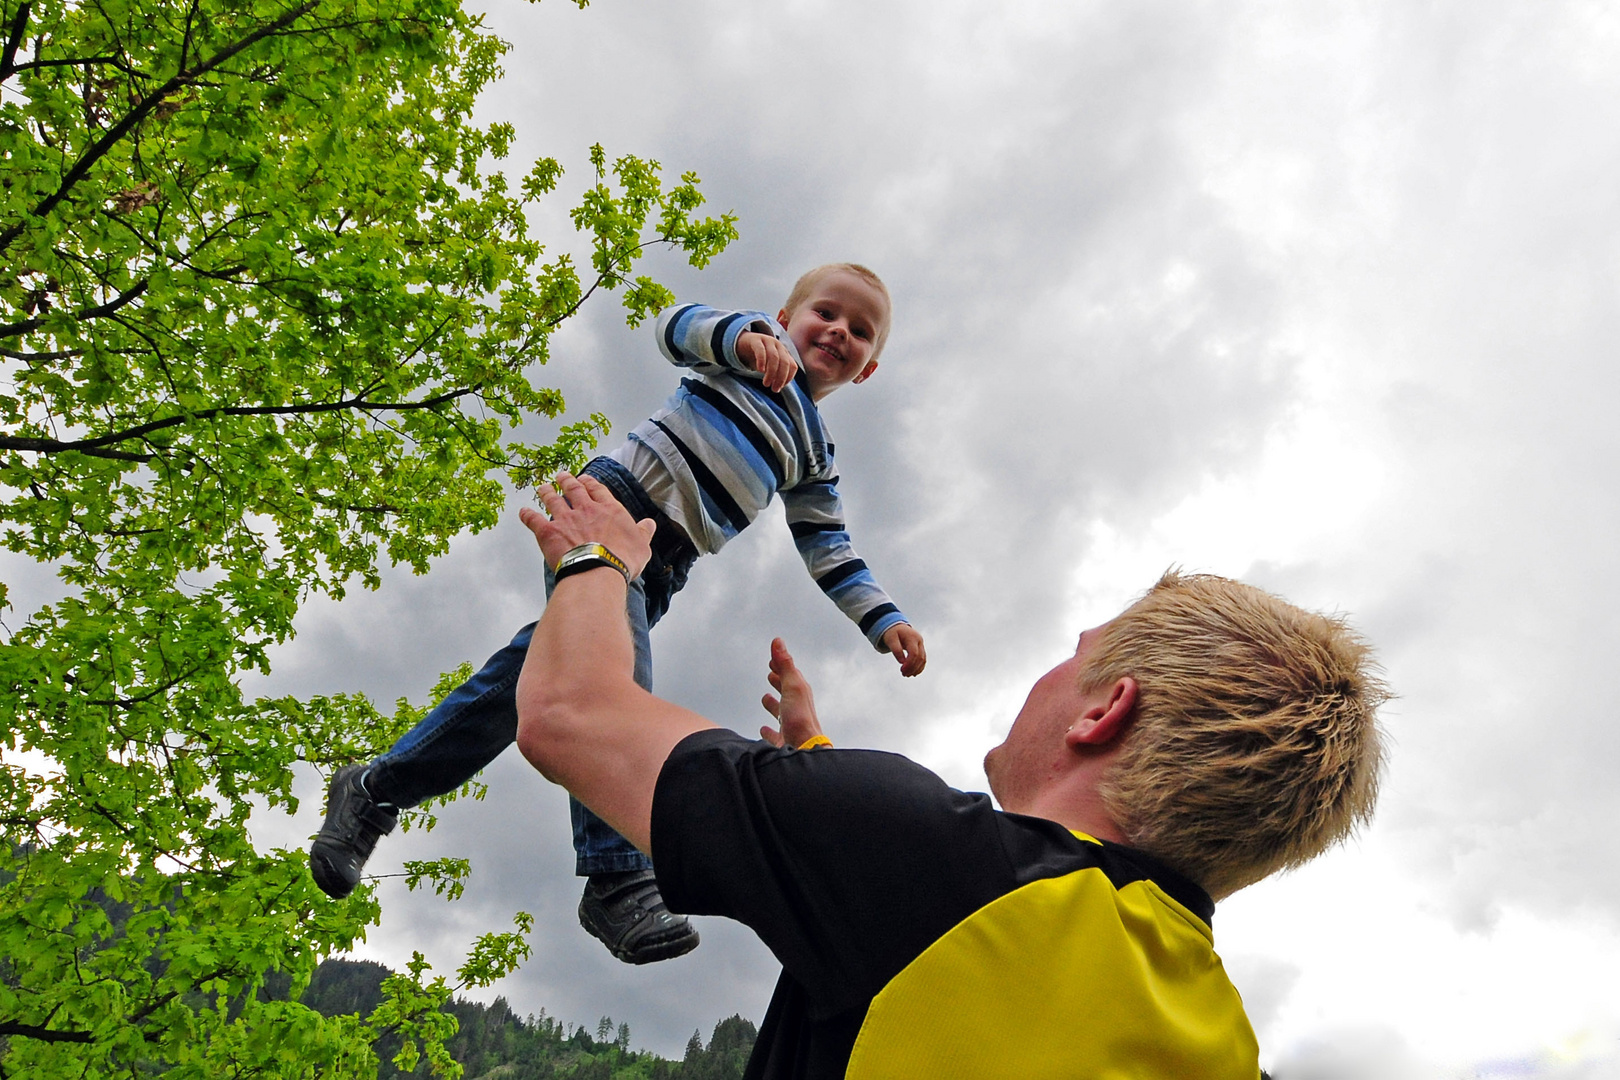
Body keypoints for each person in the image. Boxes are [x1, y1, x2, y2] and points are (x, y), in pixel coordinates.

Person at [512, 471, 1389, 1078]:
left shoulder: (933, 866)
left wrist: (598, 560)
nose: (1048, 676)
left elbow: (569, 713)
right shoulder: (1229, 1055)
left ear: (1104, 712)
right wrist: (817, 771)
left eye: (1070, 660)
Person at [309, 265, 927, 965]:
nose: (839, 331)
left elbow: (830, 546)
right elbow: (674, 327)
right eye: (827, 313)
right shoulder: (746, 351)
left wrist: (883, 619)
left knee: (527, 691)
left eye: (860, 331)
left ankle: (375, 787)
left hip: (664, 566)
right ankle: (614, 875)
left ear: (867, 370)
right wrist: (743, 338)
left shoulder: (814, 454)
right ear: (787, 315)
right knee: (609, 693)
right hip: (613, 510)